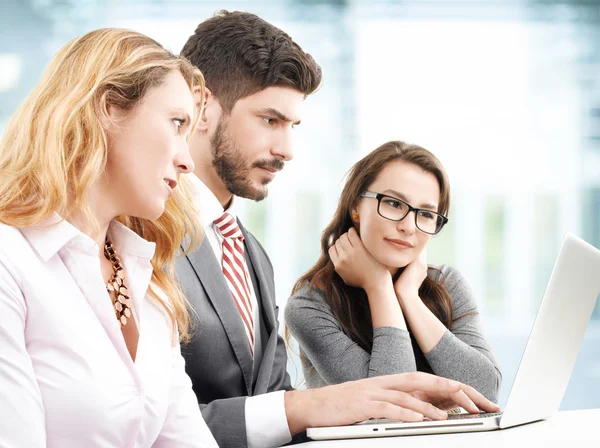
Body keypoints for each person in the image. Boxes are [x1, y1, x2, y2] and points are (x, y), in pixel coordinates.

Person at [176, 11, 500, 448]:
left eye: (292, 126)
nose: (287, 150)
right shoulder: (146, 236)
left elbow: (270, 401)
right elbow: (148, 420)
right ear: (201, 106)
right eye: (270, 120)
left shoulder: (251, 254)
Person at [0, 28, 217, 447]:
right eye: (176, 123)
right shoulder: (10, 262)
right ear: (108, 108)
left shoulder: (148, 284)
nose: (187, 160)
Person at [285, 141, 502, 402]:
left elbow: (487, 391)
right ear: (356, 206)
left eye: (426, 214)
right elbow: (388, 406)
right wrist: (379, 286)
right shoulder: (310, 307)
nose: (409, 227)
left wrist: (409, 297)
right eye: (394, 204)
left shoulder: (447, 284)